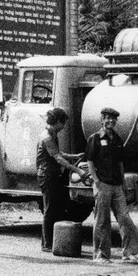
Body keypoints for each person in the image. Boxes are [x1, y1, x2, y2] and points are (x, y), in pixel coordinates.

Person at [85, 107, 138, 264]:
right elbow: (90, 160)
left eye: (114, 119)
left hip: (117, 185)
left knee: (124, 218)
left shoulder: (117, 139)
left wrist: (123, 182)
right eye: (108, 118)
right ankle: (100, 255)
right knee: (102, 220)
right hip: (102, 184)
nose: (111, 121)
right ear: (102, 119)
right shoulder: (95, 138)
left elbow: (120, 162)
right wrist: (96, 181)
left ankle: (129, 253)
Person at [37, 107, 89, 253]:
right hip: (47, 175)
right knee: (49, 209)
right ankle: (46, 244)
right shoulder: (47, 137)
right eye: (63, 123)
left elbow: (59, 153)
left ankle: (52, 241)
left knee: (55, 208)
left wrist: (74, 156)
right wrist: (77, 169)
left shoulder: (53, 134)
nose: (64, 126)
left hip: (53, 175)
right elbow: (58, 158)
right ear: (58, 122)